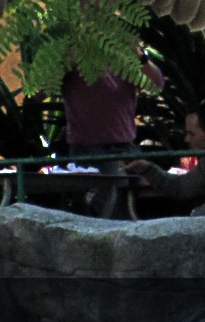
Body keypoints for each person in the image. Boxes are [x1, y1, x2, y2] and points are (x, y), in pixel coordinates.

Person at [60, 54, 164, 217]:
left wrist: (139, 56)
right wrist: (63, 60)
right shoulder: (72, 54)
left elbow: (156, 85)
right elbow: (37, 93)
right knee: (105, 210)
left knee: (131, 206)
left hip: (126, 149)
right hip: (89, 152)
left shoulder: (124, 56)